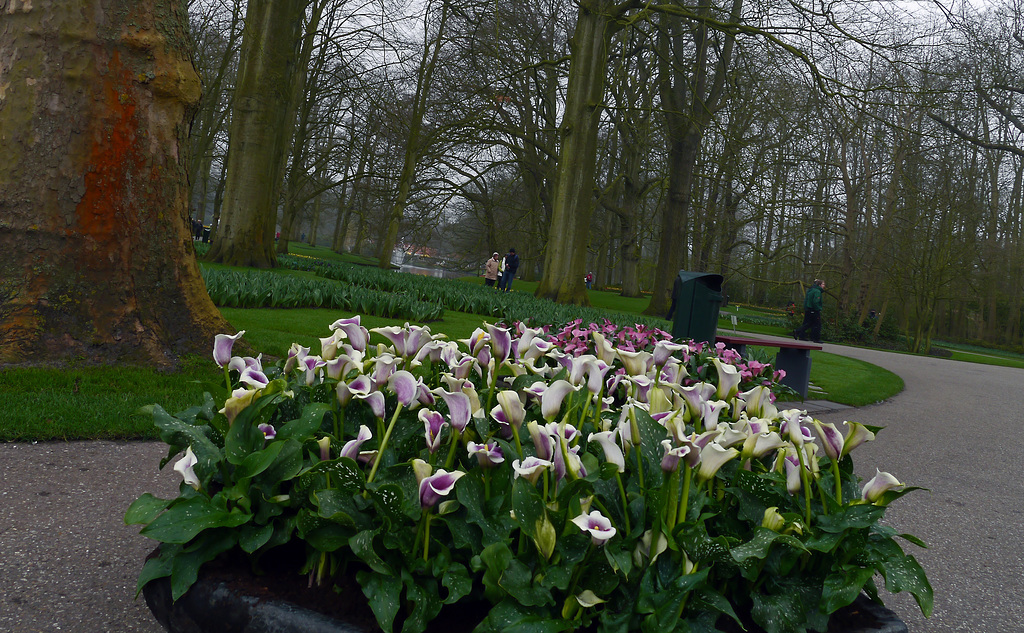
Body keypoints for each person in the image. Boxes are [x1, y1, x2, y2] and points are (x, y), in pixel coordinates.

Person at [793, 279, 825, 343]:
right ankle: (815, 338)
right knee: (817, 324)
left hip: (808, 309)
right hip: (813, 309)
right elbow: (815, 302)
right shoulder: (817, 292)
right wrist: (818, 308)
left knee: (808, 323)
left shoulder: (811, 290)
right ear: (819, 285)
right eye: (823, 284)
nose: (824, 286)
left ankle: (800, 334)